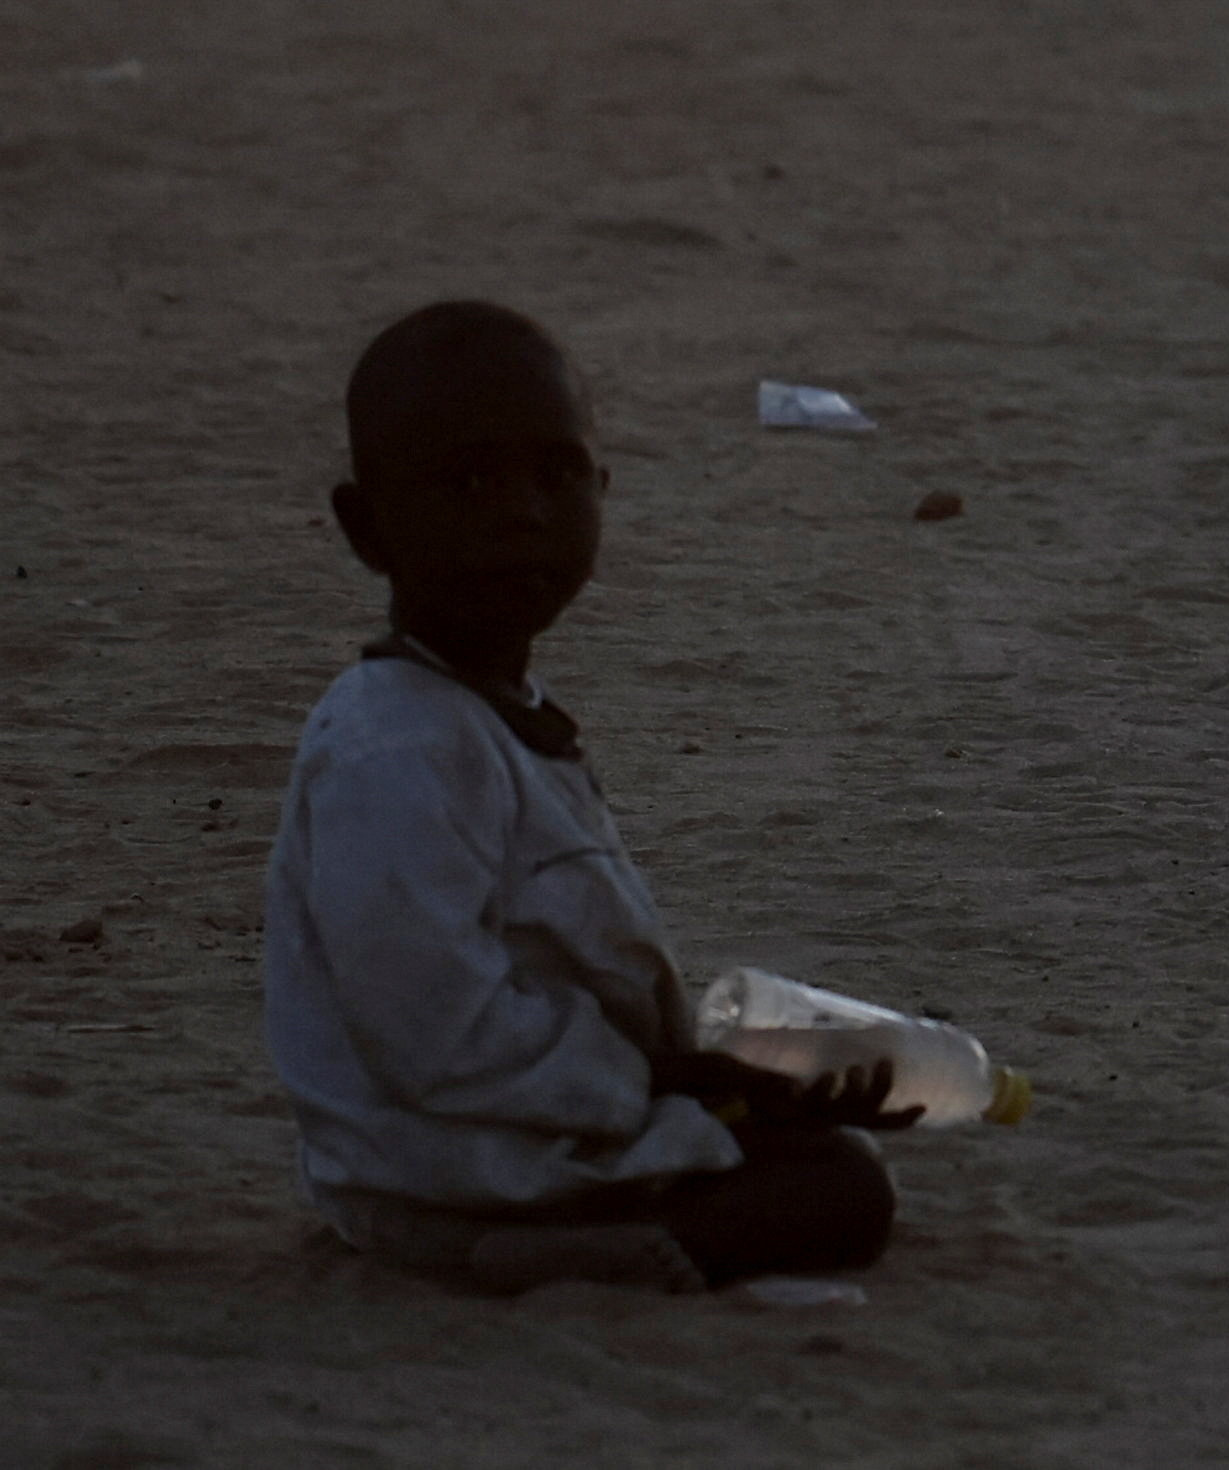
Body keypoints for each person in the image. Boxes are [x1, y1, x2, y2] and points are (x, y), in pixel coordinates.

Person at [268, 304, 912, 1294]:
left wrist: (714, 1080)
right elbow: (433, 1034)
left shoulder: (495, 718)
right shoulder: (389, 748)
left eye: (556, 475)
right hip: (442, 1161)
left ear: (602, 492)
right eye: (470, 481)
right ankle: (529, 1254)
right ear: (367, 526)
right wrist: (657, 1084)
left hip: (542, 1119)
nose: (521, 510)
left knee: (825, 1157)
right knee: (836, 1197)